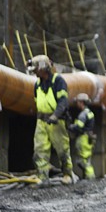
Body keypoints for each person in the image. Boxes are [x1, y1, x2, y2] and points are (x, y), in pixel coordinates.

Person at [29, 55, 73, 186]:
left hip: (56, 121)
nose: (35, 72)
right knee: (40, 150)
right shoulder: (37, 84)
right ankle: (43, 178)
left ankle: (67, 175)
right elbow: (37, 101)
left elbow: (63, 102)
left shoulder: (57, 81)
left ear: (44, 68)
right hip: (41, 121)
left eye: (36, 69)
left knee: (62, 149)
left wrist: (55, 115)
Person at [69, 92, 96, 180]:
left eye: (77, 102)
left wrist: (70, 126)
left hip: (83, 138)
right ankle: (88, 177)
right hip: (88, 138)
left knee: (83, 161)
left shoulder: (83, 114)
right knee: (86, 159)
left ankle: (90, 178)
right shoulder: (89, 113)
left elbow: (79, 127)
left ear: (81, 102)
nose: (77, 104)